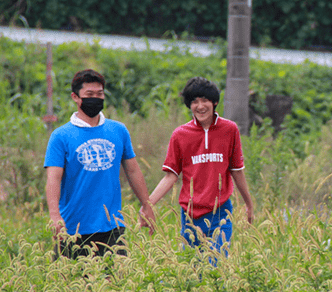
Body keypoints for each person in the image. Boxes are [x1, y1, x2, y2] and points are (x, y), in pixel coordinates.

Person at [44, 69, 155, 258]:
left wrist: (147, 205)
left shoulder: (118, 130)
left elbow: (133, 170)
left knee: (117, 283)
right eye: (89, 95)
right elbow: (53, 179)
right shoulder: (61, 136)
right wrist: (55, 216)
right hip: (72, 229)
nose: (95, 99)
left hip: (112, 227)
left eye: (99, 94)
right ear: (75, 97)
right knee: (70, 283)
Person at [144, 77, 253, 258]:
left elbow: (236, 170)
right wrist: (147, 205)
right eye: (194, 102)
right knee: (193, 271)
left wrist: (249, 204)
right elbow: (170, 176)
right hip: (190, 215)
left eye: (205, 100)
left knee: (216, 267)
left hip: (221, 213)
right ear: (189, 105)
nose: (200, 106)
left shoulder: (230, 130)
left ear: (215, 102)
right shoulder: (180, 135)